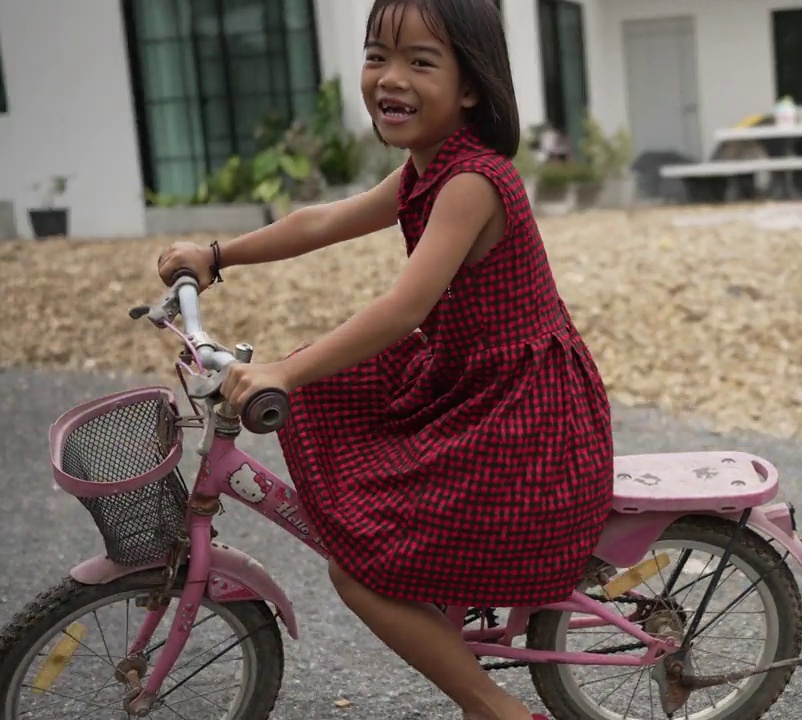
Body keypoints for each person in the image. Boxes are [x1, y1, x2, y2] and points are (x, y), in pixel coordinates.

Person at [155, 0, 614, 717]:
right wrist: (218, 255)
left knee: (362, 567)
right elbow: (323, 221)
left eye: (420, 62)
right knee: (333, 394)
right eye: (377, 56)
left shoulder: (470, 182)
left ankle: (494, 707)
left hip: (521, 417)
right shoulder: (426, 170)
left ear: (470, 86)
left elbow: (404, 309)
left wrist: (283, 371)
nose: (389, 78)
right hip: (471, 384)